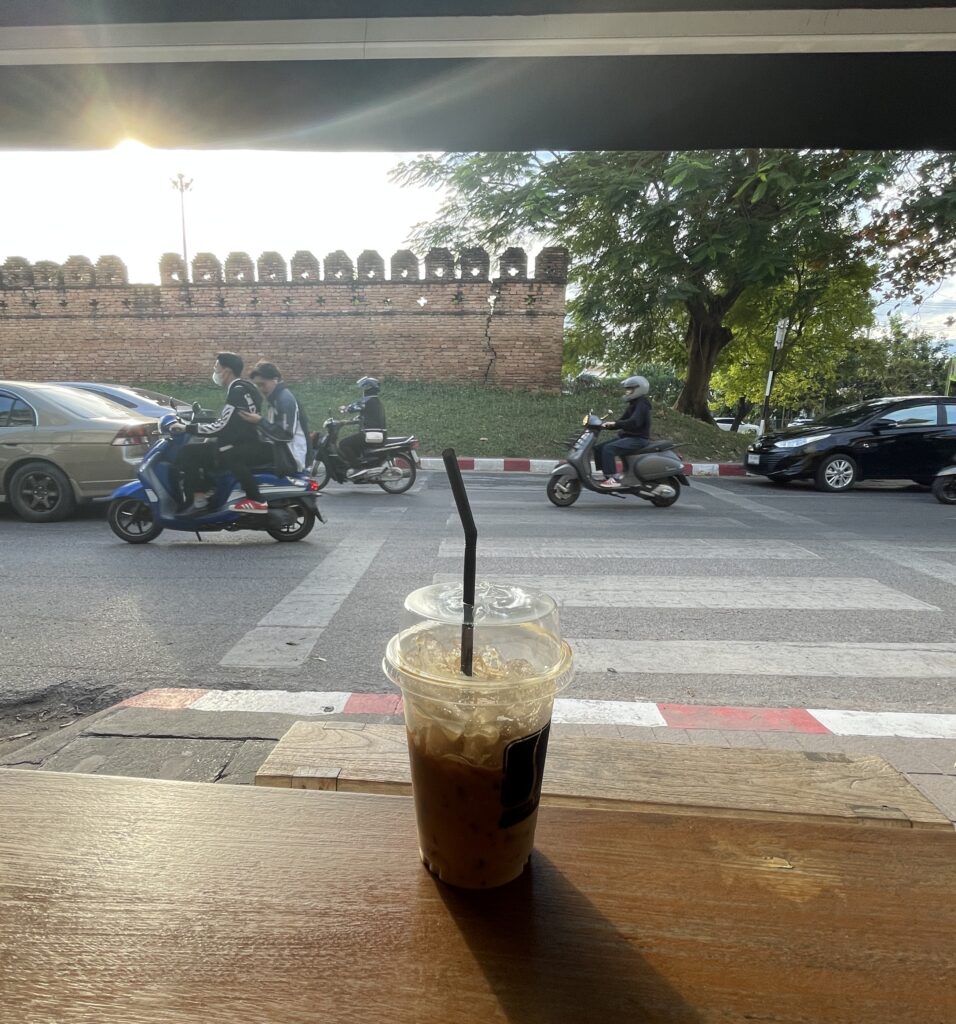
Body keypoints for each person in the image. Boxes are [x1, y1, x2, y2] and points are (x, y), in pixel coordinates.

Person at [171, 352, 271, 514]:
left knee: (188, 453)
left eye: (216, 367)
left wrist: (188, 428)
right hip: (247, 442)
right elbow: (230, 421)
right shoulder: (246, 388)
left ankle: (199, 501)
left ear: (227, 371)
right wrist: (201, 423)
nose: (215, 371)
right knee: (204, 450)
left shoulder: (236, 392)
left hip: (236, 447)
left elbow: (221, 426)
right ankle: (210, 489)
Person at [239, 361, 312, 475]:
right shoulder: (276, 398)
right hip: (284, 451)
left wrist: (259, 421)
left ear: (275, 379)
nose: (261, 389)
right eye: (258, 385)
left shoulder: (284, 399)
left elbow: (284, 434)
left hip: (291, 456)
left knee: (236, 456)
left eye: (263, 384)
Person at [594, 375, 653, 489]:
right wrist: (606, 425)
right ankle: (607, 476)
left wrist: (616, 424)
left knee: (608, 449)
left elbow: (634, 422)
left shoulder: (642, 404)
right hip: (629, 437)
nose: (627, 392)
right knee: (599, 448)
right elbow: (623, 421)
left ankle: (612, 479)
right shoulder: (634, 403)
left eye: (630, 389)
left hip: (638, 439)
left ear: (638, 389)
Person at [337, 376, 386, 472]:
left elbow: (353, 407)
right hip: (377, 433)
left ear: (368, 388)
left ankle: (357, 468)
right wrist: (347, 422)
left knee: (343, 444)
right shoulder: (376, 401)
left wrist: (344, 408)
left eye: (363, 388)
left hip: (371, 434)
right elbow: (364, 417)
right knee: (354, 443)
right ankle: (361, 463)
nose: (362, 391)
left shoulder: (368, 400)